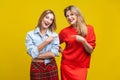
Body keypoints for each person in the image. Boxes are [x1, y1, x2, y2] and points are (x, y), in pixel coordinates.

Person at [59, 5, 96, 80]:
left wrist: (83, 41)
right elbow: (53, 43)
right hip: (66, 66)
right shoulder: (65, 31)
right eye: (67, 16)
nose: (69, 17)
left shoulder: (89, 29)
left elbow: (90, 51)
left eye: (72, 14)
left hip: (81, 67)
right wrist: (62, 52)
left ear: (77, 14)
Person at [25, 10, 59, 80]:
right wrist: (46, 41)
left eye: (51, 20)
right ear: (42, 18)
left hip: (51, 66)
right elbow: (31, 51)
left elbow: (53, 53)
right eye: (47, 17)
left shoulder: (54, 35)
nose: (48, 21)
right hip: (36, 67)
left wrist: (35, 55)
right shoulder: (30, 35)